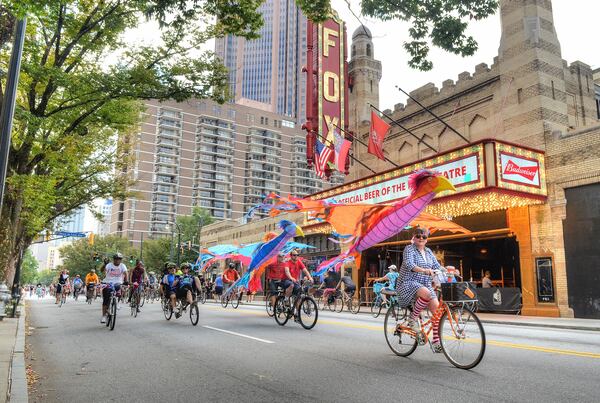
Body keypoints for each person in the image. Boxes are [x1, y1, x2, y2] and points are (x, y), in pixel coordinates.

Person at [397, 227, 444, 353]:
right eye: (418, 236)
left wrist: (449, 270)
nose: (421, 238)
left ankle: (435, 341)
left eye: (424, 237)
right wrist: (424, 270)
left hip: (424, 283)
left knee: (437, 311)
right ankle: (412, 319)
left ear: (427, 239)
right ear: (414, 237)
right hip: (408, 282)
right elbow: (409, 264)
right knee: (427, 293)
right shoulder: (409, 249)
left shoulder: (428, 251)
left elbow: (437, 266)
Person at [283, 250, 314, 315]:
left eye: (297, 255)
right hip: (287, 280)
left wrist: (310, 278)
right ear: (291, 256)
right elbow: (287, 271)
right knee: (291, 285)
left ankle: (297, 313)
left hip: (295, 281)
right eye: (294, 255)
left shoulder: (299, 262)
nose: (296, 256)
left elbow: (305, 271)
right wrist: (291, 278)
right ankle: (286, 299)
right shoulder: (287, 262)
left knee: (299, 296)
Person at [100, 253, 128, 323]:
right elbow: (102, 270)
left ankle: (116, 303)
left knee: (120, 287)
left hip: (118, 282)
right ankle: (103, 316)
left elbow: (125, 273)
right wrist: (104, 265)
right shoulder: (109, 265)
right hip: (108, 282)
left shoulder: (122, 265)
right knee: (105, 300)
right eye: (116, 259)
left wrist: (126, 281)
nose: (118, 260)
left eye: (119, 259)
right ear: (114, 259)